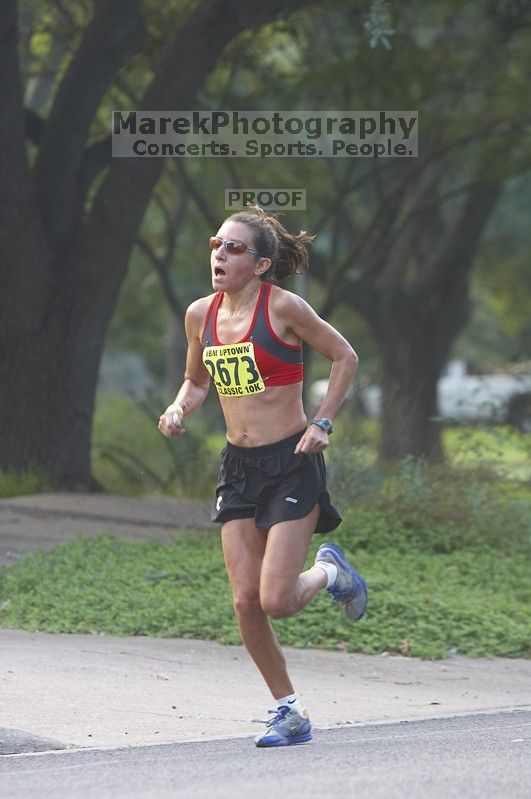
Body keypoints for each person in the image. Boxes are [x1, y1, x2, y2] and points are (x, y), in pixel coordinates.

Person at [158, 206, 367, 748]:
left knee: (277, 599)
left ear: (261, 264)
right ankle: (289, 711)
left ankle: (328, 572)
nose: (219, 255)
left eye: (233, 248)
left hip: (291, 461)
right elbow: (196, 381)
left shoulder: (285, 309)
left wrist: (323, 421)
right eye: (215, 245)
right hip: (238, 467)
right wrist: (180, 407)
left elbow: (345, 356)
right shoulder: (199, 315)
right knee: (245, 602)